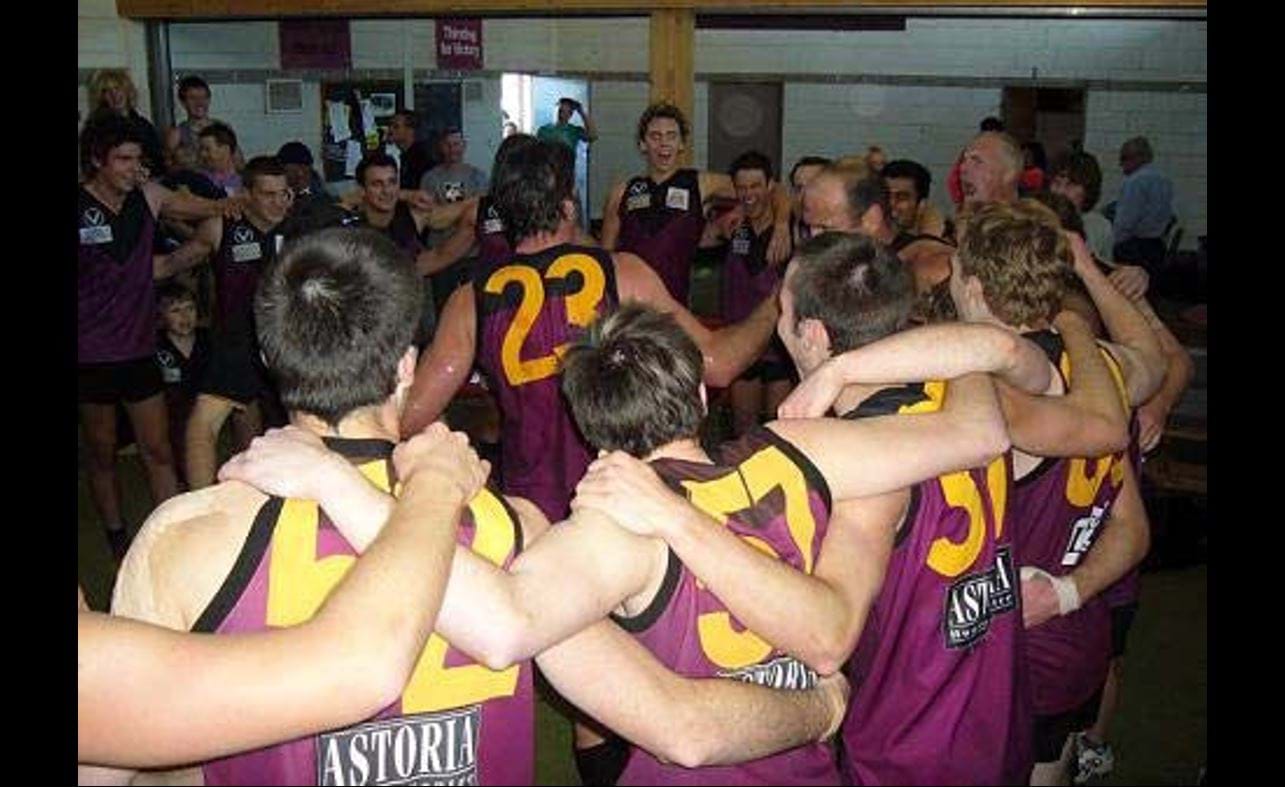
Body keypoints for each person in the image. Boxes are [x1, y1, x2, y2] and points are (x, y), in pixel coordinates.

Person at [107, 228, 851, 785]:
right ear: (406, 363)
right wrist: (819, 708)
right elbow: (678, 721)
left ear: (271, 360)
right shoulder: (517, 532)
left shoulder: (183, 538)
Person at [585, 231, 1134, 785]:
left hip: (907, 743)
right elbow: (1095, 414)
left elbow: (826, 636)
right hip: (997, 717)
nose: (778, 324)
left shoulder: (857, 473)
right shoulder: (976, 394)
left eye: (783, 311)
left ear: (813, 334)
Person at [402, 139, 780, 522]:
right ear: (569, 206)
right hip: (617, 503)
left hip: (529, 512)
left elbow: (408, 415)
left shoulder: (469, 300)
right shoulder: (622, 273)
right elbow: (718, 363)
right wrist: (779, 300)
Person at [78, 424, 487, 769]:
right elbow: (363, 666)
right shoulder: (509, 519)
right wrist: (435, 483)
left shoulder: (175, 538)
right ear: (406, 369)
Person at [78, 115, 235, 559]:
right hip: (90, 355)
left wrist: (236, 204)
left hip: (139, 349)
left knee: (159, 449)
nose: (133, 168)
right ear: (98, 161)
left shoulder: (149, 196)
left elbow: (202, 208)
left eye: (137, 159)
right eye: (122, 159)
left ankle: (173, 533)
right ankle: (116, 538)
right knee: (102, 453)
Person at [156, 156, 295, 488]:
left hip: (287, 344)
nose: (278, 202)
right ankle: (207, 504)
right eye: (268, 194)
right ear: (246, 194)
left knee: (291, 433)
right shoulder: (222, 227)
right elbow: (170, 264)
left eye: (283, 193)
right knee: (219, 428)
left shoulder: (300, 227)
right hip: (237, 341)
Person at [601, 102, 793, 305]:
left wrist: (781, 225)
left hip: (674, 308)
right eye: (655, 136)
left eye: (671, 136)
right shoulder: (621, 192)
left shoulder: (701, 183)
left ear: (682, 144)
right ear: (642, 144)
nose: (664, 143)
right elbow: (605, 258)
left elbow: (774, 189)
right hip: (629, 307)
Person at [705, 151, 795, 436]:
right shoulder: (731, 224)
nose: (749, 194)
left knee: (778, 431)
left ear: (770, 186)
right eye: (742, 187)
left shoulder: (790, 228)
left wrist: (782, 222)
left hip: (780, 346)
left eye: (756, 186)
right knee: (743, 431)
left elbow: (790, 196)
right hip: (740, 343)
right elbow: (700, 240)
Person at [800, 167, 954, 312]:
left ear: (870, 220)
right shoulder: (828, 263)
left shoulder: (930, 267)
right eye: (809, 228)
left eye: (826, 228)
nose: (814, 238)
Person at [153, 281, 212, 487]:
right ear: (161, 316)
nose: (185, 317)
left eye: (190, 308)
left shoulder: (208, 341)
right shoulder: (157, 347)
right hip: (169, 416)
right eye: (175, 311)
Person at [84, 68, 166, 177]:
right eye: (106, 91)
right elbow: (89, 165)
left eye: (118, 88)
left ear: (127, 91)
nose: (114, 95)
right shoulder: (95, 127)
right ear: (101, 97)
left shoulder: (143, 125)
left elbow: (159, 162)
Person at [1112, 136, 1174, 271]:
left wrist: (1111, 245)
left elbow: (1126, 221)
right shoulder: (1164, 180)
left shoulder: (1134, 182)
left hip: (1134, 250)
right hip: (1157, 247)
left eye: (1123, 158)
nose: (1120, 164)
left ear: (1137, 158)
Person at [1050, 150, 1114, 263]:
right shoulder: (1039, 219)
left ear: (1088, 191)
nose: (1060, 191)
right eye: (1056, 182)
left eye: (1070, 185)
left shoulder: (1100, 227)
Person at [165, 75, 225, 173]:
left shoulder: (222, 128)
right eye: (193, 98)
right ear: (183, 102)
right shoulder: (176, 134)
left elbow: (238, 163)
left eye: (203, 97)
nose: (199, 103)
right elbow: (167, 168)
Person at [883, 158, 947, 239]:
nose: (891, 203)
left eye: (901, 198)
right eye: (885, 196)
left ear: (921, 204)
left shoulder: (939, 243)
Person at [385, 109, 439, 191]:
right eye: (389, 126)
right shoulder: (405, 156)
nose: (390, 130)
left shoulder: (421, 158)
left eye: (396, 126)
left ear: (410, 130)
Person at [198, 121, 244, 195]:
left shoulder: (245, 182)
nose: (202, 154)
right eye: (201, 149)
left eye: (207, 149)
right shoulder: (197, 179)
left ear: (225, 149)